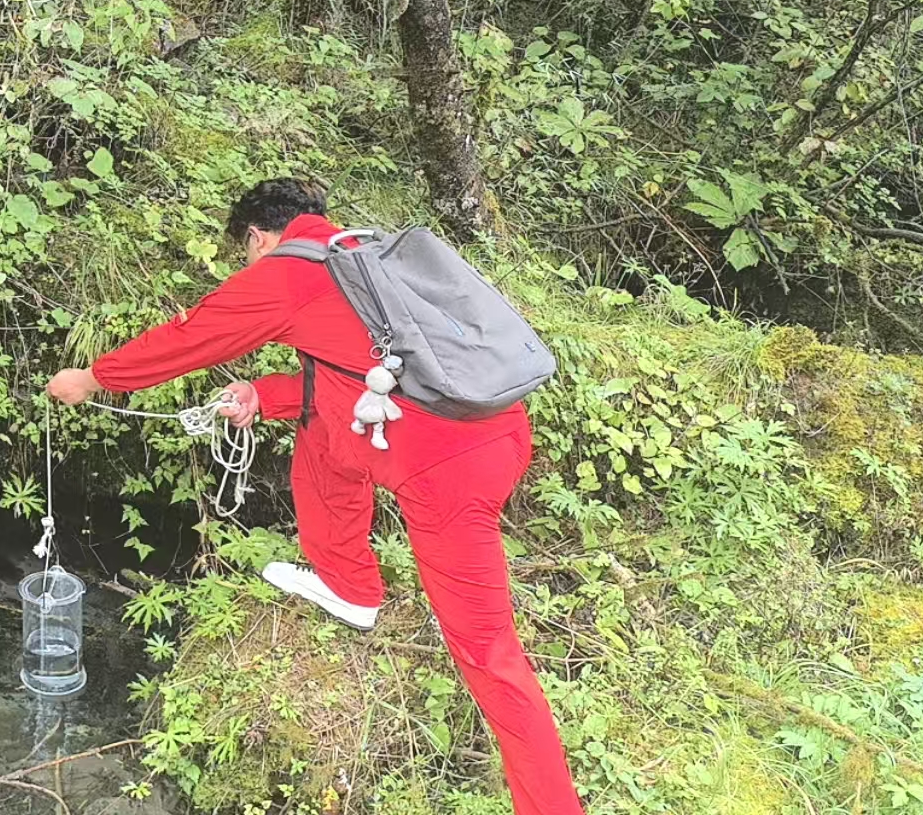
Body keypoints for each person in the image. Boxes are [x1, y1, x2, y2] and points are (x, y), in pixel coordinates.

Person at [45, 178, 585, 815]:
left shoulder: (286, 274)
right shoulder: (360, 256)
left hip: (448, 473)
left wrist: (93, 377)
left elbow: (188, 337)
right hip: (493, 429)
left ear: (257, 236)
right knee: (322, 440)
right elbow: (346, 369)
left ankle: (552, 806)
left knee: (489, 656)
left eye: (243, 251)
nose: (246, 263)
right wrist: (262, 397)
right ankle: (351, 587)